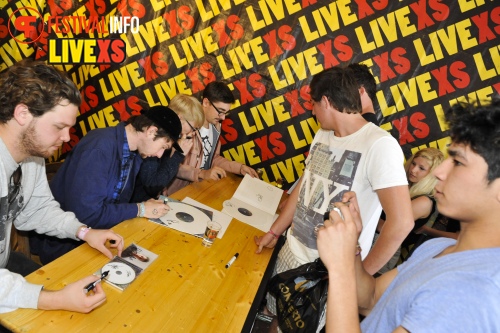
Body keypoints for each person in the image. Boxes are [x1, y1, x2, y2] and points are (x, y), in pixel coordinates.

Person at [317, 98, 500, 332]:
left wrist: (340, 266)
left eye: (458, 162)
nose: (441, 173)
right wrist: (352, 248)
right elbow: (371, 299)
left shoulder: (475, 290)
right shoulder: (439, 247)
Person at [255, 66, 413, 330]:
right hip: (291, 253)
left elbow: (402, 222)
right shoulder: (323, 134)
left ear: (326, 101)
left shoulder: (379, 145)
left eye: (313, 104)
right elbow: (305, 188)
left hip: (326, 271)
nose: (312, 111)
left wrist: (358, 273)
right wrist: (274, 231)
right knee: (274, 318)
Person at [0, 60, 124, 314]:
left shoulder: (32, 157)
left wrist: (84, 232)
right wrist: (55, 299)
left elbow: (38, 210)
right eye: (59, 127)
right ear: (22, 114)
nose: (67, 138)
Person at [31, 105, 184, 264]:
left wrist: (143, 207)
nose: (160, 155)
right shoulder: (99, 148)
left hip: (97, 235)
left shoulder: (134, 153)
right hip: (64, 246)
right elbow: (86, 215)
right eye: (163, 147)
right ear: (151, 131)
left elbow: (117, 203)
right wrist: (140, 209)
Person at [166, 81, 259, 195]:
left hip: (197, 189)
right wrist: (201, 174)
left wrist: (239, 168)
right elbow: (169, 165)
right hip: (175, 193)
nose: (223, 118)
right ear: (206, 102)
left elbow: (213, 158)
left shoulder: (216, 127)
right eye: (220, 111)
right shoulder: (186, 126)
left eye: (226, 113)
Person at [377, 147, 444, 271]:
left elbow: (389, 229)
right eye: (413, 163)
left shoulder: (424, 201)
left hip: (382, 250)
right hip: (372, 241)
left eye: (421, 168)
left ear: (431, 175)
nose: (413, 170)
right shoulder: (406, 186)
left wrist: (366, 216)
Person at [132, 94, 205, 202]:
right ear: (180, 118)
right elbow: (152, 186)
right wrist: (179, 155)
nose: (193, 133)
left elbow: (159, 172)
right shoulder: (156, 135)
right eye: (193, 128)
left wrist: (163, 186)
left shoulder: (167, 135)